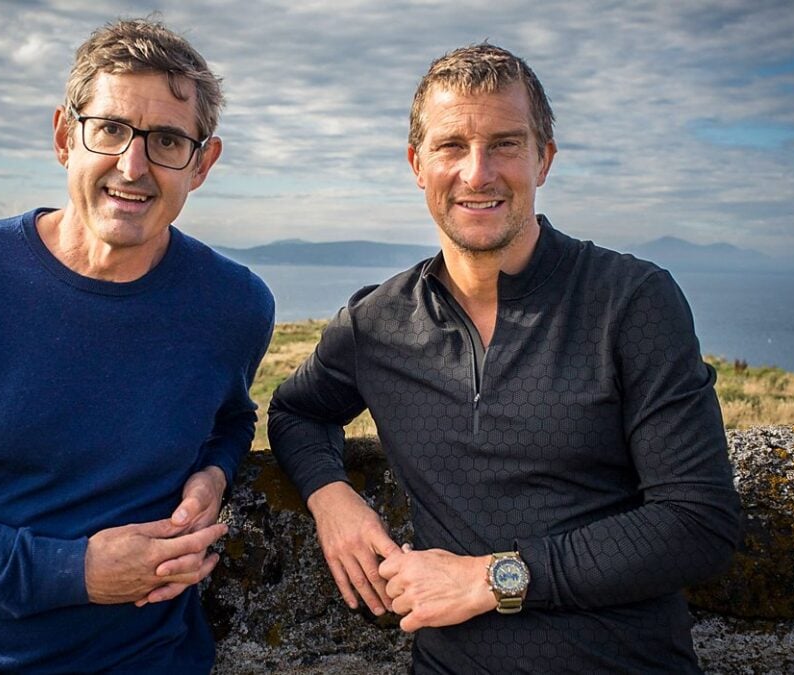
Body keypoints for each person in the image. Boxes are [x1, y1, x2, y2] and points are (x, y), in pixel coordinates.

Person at [269, 43, 741, 673]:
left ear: (544, 159)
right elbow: (296, 412)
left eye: (506, 144)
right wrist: (333, 499)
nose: (477, 172)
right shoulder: (375, 325)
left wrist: (489, 579)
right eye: (451, 146)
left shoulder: (632, 301)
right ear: (417, 164)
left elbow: (698, 523)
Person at [0, 18, 274, 673]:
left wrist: (213, 471)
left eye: (168, 140)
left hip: (155, 658)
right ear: (65, 136)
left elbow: (231, 416)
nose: (134, 166)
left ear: (202, 163)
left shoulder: (236, 303)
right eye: (111, 129)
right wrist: (78, 571)